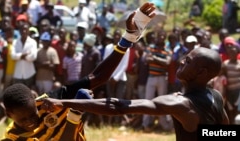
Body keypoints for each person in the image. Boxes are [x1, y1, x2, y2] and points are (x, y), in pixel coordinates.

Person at [1, 2, 156, 141]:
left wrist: (128, 38)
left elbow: (98, 77)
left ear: (35, 101)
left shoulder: (52, 102)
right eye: (23, 119)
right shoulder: (13, 138)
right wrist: (74, 113)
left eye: (32, 114)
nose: (31, 122)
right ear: (9, 115)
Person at [42, 47, 229, 141]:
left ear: (202, 73)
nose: (181, 61)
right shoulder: (215, 96)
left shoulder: (181, 104)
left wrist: (63, 102)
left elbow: (118, 106)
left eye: (188, 61)